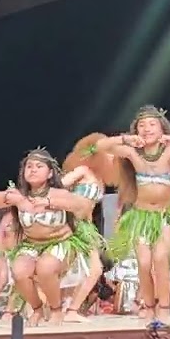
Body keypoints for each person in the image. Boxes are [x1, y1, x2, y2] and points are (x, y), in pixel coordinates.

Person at [99, 105, 170, 322]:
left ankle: (164, 306)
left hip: (164, 216)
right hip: (141, 216)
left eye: (152, 124)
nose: (146, 129)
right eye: (141, 125)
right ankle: (148, 305)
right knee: (144, 263)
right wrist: (126, 139)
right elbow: (102, 146)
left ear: (161, 128)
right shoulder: (133, 152)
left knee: (160, 259)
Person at [0, 148, 94, 325]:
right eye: (29, 166)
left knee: (45, 268)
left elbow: (82, 205)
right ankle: (37, 309)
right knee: (19, 271)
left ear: (50, 173)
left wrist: (50, 202)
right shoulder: (19, 195)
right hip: (31, 244)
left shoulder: (58, 193)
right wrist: (11, 198)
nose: (33, 169)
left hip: (60, 242)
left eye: (39, 166)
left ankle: (57, 310)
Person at [60, 133, 119, 322]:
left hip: (85, 227)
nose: (112, 157)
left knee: (94, 269)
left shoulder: (101, 181)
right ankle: (52, 309)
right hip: (70, 225)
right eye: (109, 154)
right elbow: (59, 185)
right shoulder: (83, 170)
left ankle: (71, 310)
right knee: (64, 269)